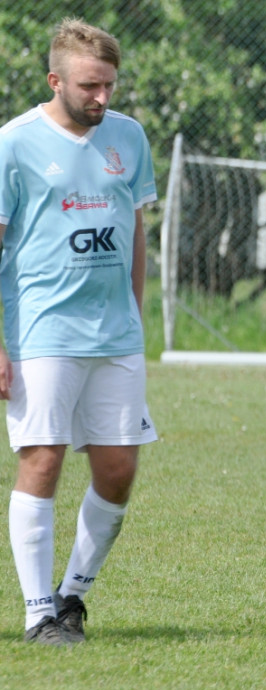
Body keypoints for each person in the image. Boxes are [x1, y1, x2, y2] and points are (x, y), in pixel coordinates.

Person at [0, 18, 158, 646]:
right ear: (55, 80)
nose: (102, 98)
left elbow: (136, 229)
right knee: (43, 459)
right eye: (90, 86)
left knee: (118, 469)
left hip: (116, 335)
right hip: (41, 329)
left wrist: (136, 318)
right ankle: (39, 614)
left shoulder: (129, 137)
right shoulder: (13, 143)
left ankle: (72, 597)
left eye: (110, 86)